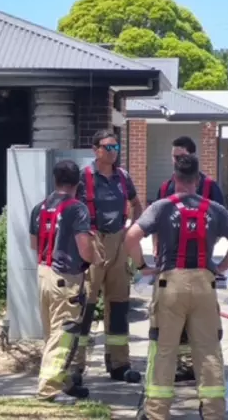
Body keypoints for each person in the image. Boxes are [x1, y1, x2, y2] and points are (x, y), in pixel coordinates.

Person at [125, 154, 228, 420]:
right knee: (208, 350)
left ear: (174, 178)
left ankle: (157, 412)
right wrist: (221, 266)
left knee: (164, 349)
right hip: (204, 283)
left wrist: (141, 266)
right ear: (198, 179)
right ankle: (214, 412)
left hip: (171, 282)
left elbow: (132, 236)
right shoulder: (214, 209)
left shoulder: (161, 207)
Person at [153, 136, 227, 383]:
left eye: (180, 157)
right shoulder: (166, 187)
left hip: (200, 266)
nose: (175, 161)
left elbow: (220, 223)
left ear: (192, 158)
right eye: (173, 157)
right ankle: (179, 365)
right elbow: (154, 225)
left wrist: (213, 261)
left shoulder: (210, 188)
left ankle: (193, 365)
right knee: (169, 323)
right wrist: (156, 254)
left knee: (200, 323)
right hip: (170, 268)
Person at [72, 130, 144, 384]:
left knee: (119, 305)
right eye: (108, 147)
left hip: (118, 242)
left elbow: (137, 204)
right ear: (95, 150)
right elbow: (70, 210)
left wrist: (131, 231)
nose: (113, 152)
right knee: (85, 305)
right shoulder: (84, 177)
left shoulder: (123, 177)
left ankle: (119, 363)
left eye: (116, 148)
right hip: (92, 241)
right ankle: (76, 365)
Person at [29, 160, 94, 402]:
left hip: (44, 274)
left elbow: (33, 244)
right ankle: (47, 390)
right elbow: (84, 248)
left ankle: (65, 381)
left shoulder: (40, 207)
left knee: (51, 334)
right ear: (77, 183)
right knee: (63, 334)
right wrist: (94, 258)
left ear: (55, 180)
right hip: (65, 278)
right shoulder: (77, 209)